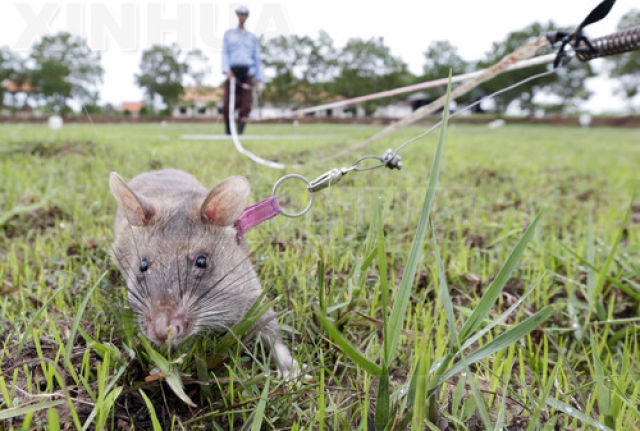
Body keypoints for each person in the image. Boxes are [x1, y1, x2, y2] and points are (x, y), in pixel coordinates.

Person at [222, 6, 263, 135]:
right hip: (233, 73)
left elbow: (256, 57)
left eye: (245, 14)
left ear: (247, 16)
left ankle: (239, 132)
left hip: (248, 74)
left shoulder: (252, 38)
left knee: (245, 105)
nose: (242, 17)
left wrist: (259, 78)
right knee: (228, 103)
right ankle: (229, 132)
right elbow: (225, 53)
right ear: (237, 15)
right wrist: (227, 70)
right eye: (240, 14)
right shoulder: (229, 34)